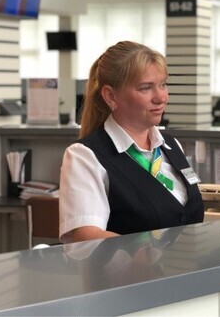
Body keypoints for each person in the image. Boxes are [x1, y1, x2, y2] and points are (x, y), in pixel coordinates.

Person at [59, 41, 204, 243]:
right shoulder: (85, 156)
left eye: (163, 84)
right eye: (146, 88)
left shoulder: (171, 145)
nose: (161, 97)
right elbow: (86, 235)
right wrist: (139, 253)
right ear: (111, 96)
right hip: (128, 265)